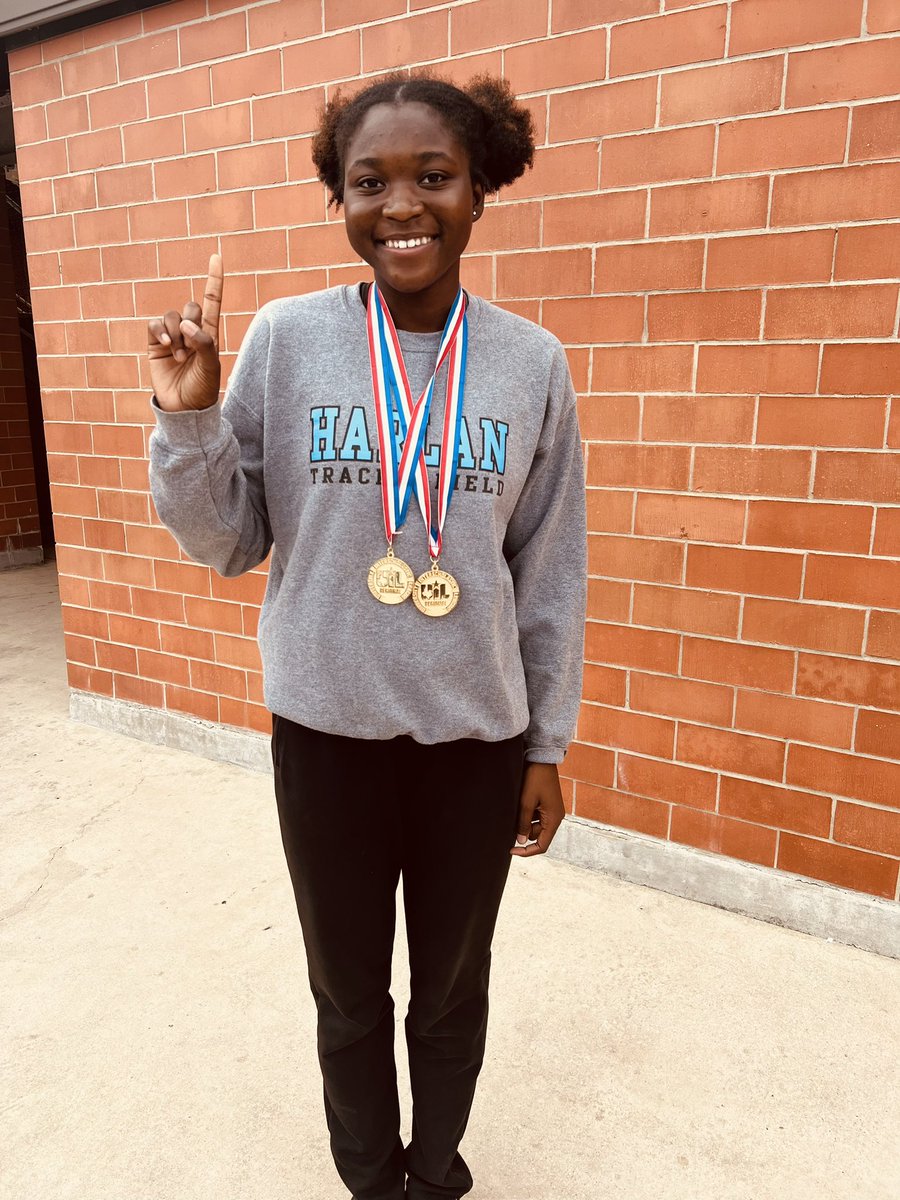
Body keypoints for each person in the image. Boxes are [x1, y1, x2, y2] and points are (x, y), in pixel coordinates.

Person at [146, 71, 587, 1200]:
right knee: (347, 991)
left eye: (433, 177)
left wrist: (546, 743)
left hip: (473, 746)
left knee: (449, 987)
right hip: (326, 735)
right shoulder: (288, 343)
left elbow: (548, 571)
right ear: (338, 199)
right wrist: (190, 417)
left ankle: (434, 1172)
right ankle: (369, 1180)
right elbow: (228, 541)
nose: (403, 206)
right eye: (370, 181)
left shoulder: (530, 364)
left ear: (481, 189)